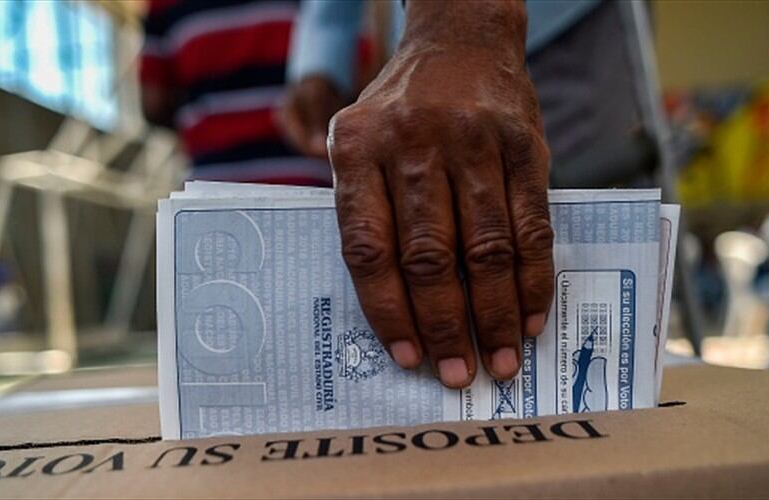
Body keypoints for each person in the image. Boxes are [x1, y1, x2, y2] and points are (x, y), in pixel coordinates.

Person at [282, 0, 638, 389]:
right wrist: (327, 38)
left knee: (567, 287)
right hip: (420, 33)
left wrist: (465, 20)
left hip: (560, 32)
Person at [138, 0, 376, 187]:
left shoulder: (164, 5)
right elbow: (366, 81)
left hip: (210, 183)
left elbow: (154, 104)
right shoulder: (328, 11)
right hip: (309, 180)